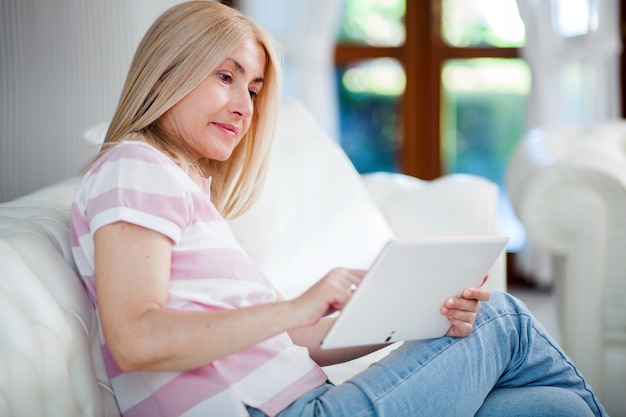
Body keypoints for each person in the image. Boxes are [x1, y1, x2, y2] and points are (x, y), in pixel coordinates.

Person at [69, 2, 607, 416]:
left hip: (311, 399)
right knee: (501, 316)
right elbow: (135, 338)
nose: (243, 106)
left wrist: (418, 316)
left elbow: (293, 342)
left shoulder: (184, 190)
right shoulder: (135, 166)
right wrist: (297, 305)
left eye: (254, 90)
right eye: (225, 76)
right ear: (165, 74)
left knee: (553, 408)